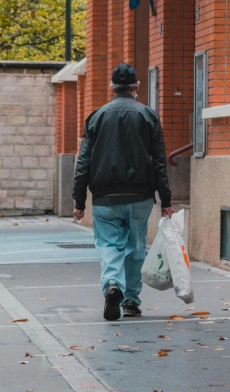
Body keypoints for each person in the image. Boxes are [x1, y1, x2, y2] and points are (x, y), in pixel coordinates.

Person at [72, 62, 174, 321]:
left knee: (108, 245)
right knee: (135, 246)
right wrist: (166, 199)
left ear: (111, 87)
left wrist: (79, 199)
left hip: (105, 196)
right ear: (137, 87)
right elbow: (159, 160)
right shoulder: (148, 115)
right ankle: (130, 300)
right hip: (140, 195)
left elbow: (83, 160)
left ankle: (111, 285)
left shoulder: (97, 116)